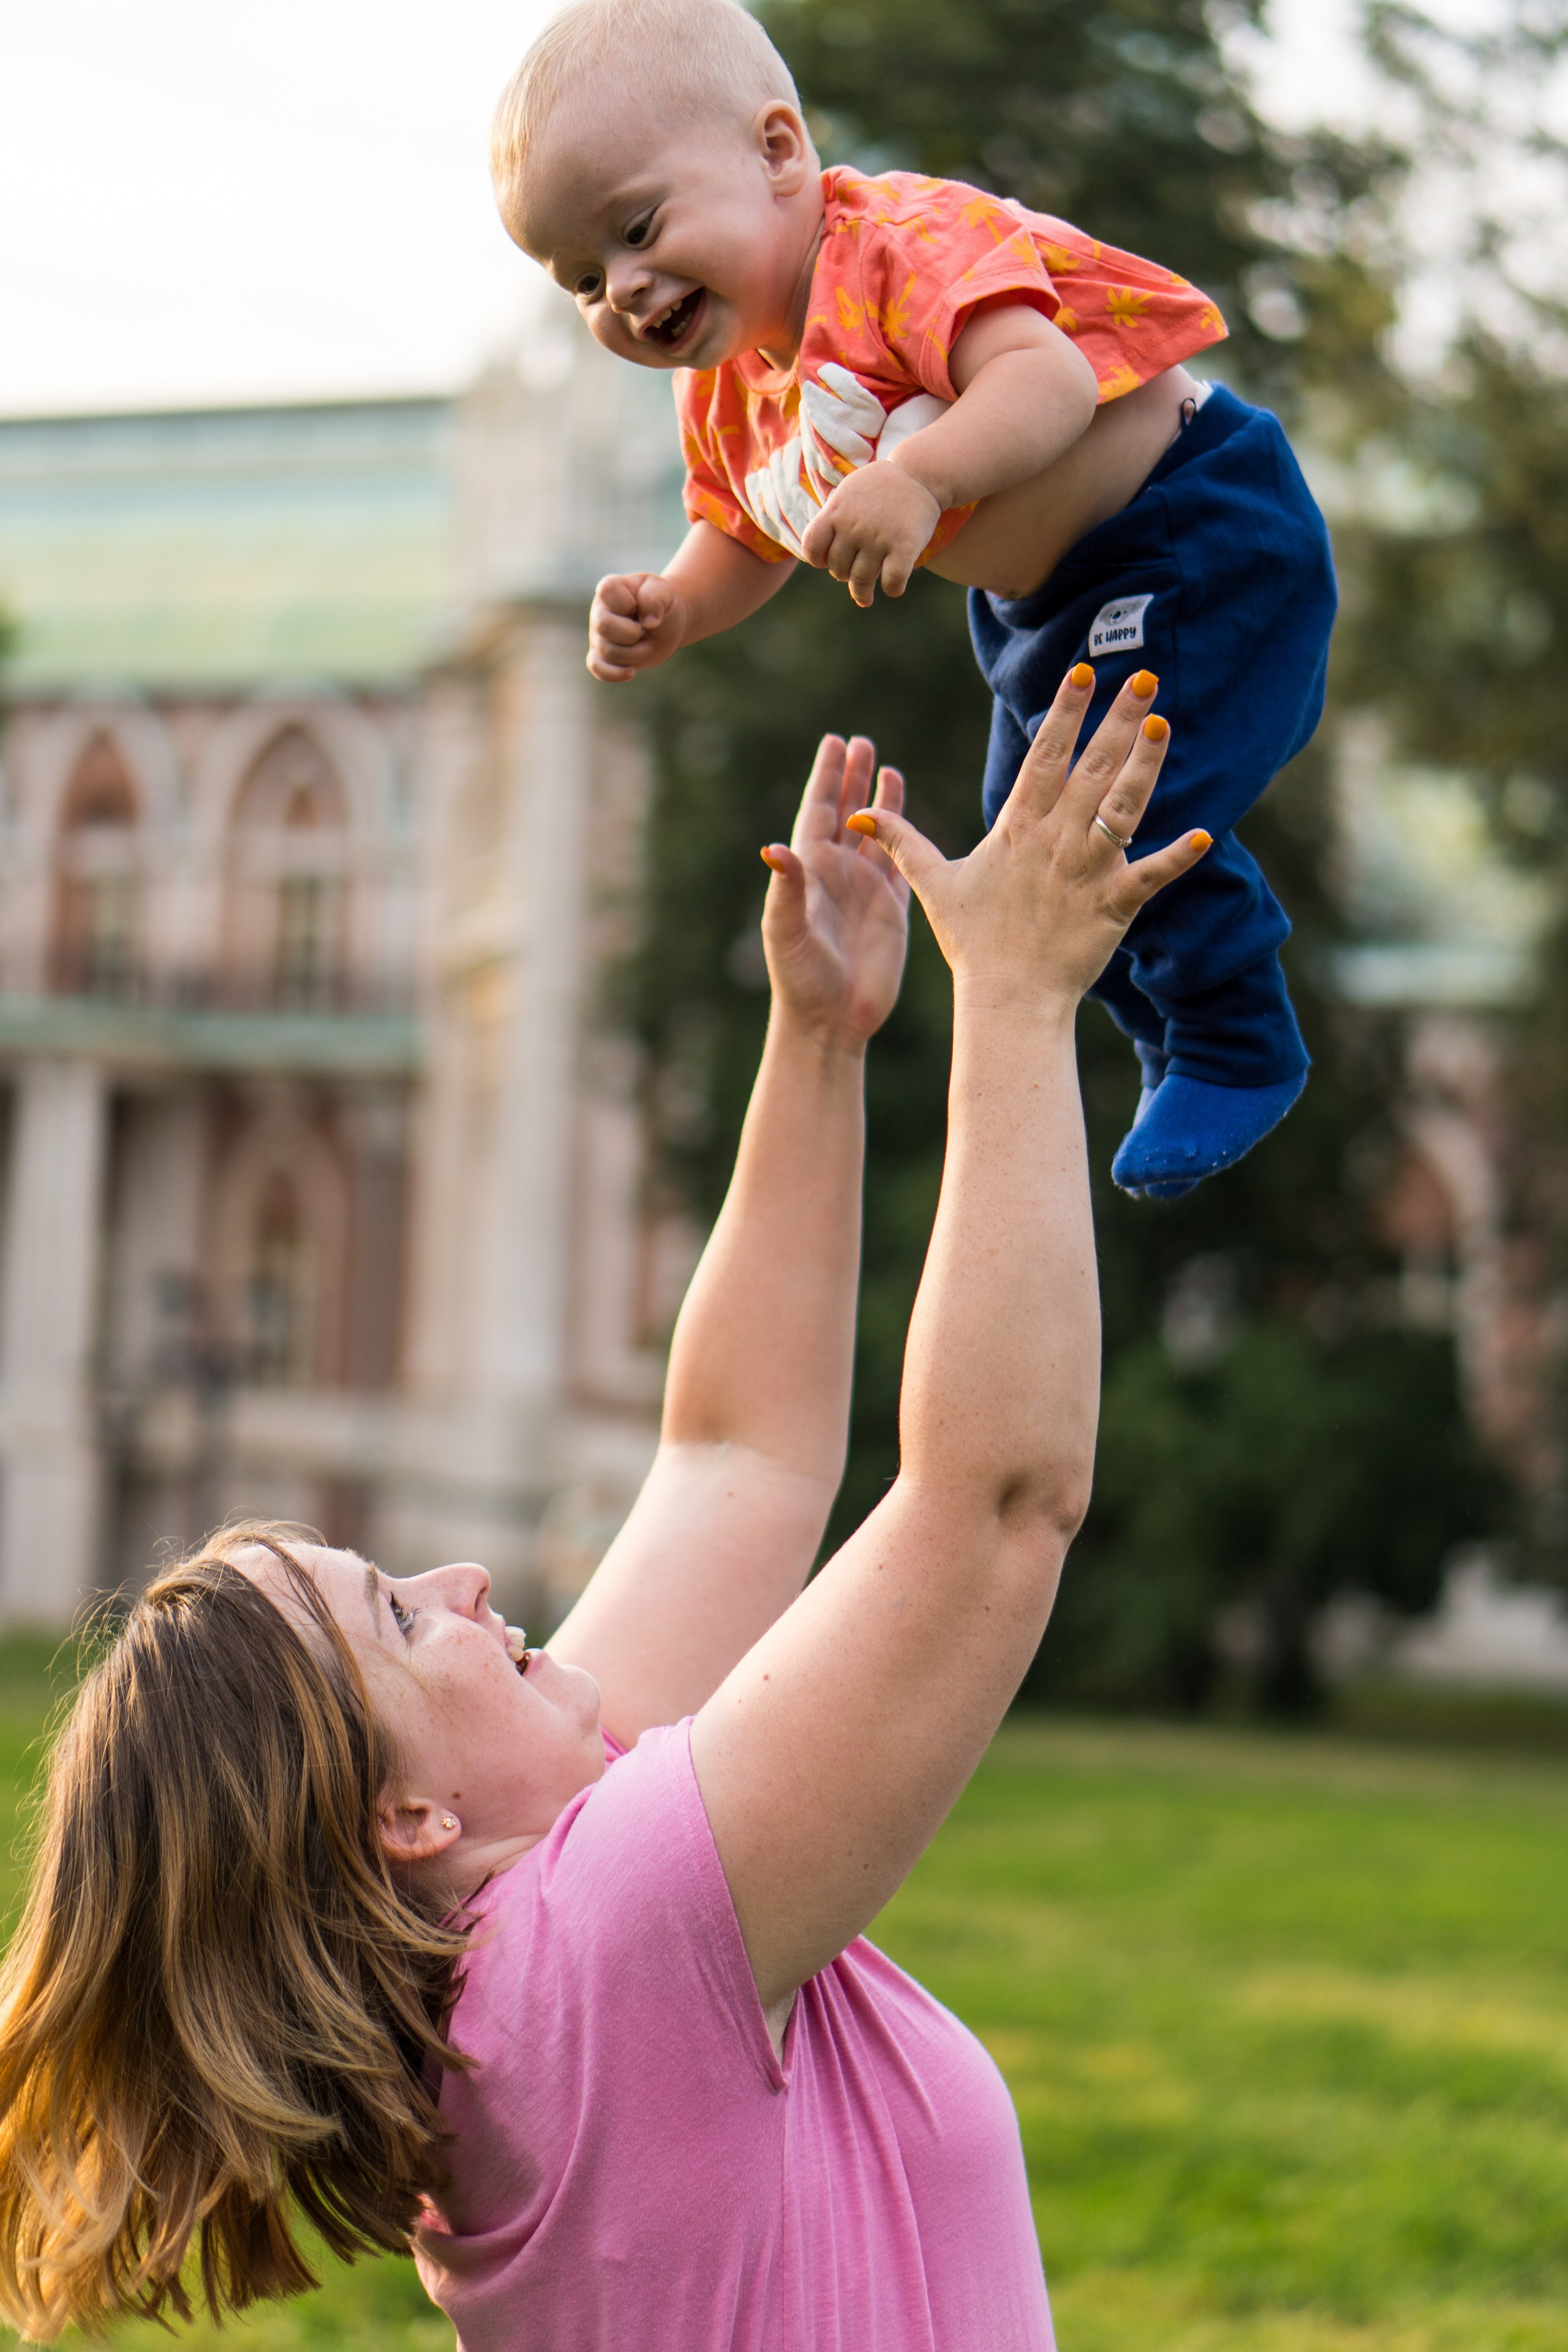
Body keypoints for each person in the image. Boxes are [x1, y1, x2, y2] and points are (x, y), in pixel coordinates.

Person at [0, 673, 1207, 2349]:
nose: (469, 1576)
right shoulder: (602, 1955)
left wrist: (818, 1046)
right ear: (406, 1821)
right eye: (403, 1614)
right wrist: (1012, 997)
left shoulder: (523, 1981)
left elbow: (735, 1463)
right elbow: (997, 1506)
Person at [489, 0, 1337, 1199]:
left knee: (1095, 821)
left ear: (777, 151)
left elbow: (1041, 379)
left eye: (637, 227)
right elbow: (743, 533)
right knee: (1020, 859)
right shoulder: (730, 389)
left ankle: (1235, 1041)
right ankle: (1168, 1042)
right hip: (1049, 604)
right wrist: (675, 606)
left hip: (1194, 528)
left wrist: (917, 478)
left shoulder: (894, 244)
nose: (623, 289)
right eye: (581, 277)